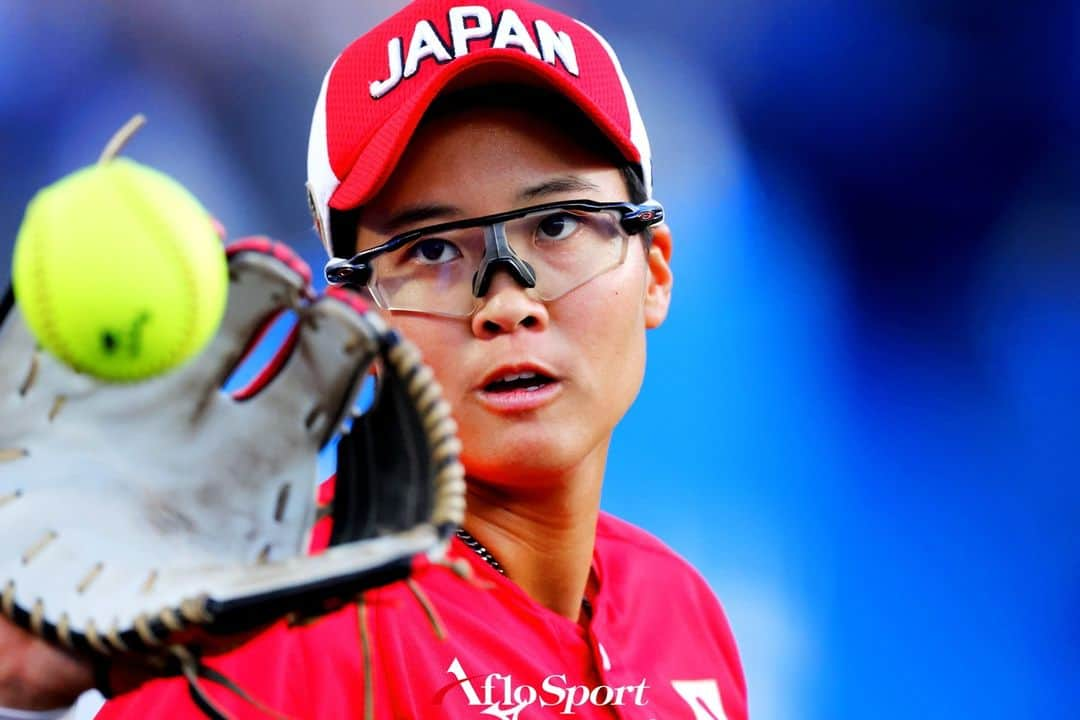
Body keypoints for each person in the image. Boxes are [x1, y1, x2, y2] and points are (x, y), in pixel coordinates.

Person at [0, 1, 747, 718]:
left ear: (654, 270)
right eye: (429, 250)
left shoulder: (680, 608)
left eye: (556, 224)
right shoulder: (279, 633)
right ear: (358, 317)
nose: (507, 302)